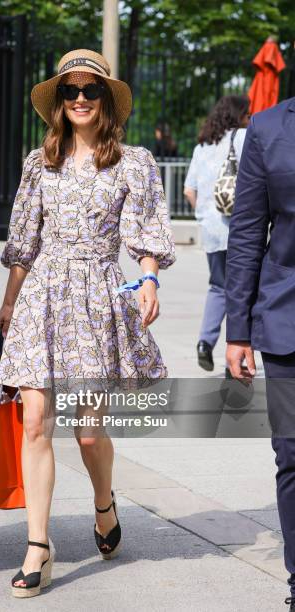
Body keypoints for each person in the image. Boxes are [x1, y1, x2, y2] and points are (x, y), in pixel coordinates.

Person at [0, 48, 176, 598]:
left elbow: (145, 228)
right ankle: (39, 547)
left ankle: (104, 505)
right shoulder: (37, 162)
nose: (78, 99)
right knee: (34, 421)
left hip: (97, 297)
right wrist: (7, 302)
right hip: (42, 296)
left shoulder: (133, 162)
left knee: (89, 430)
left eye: (89, 90)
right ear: (57, 101)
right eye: (69, 91)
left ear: (105, 100)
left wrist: (148, 278)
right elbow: (23, 243)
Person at [225, 96, 295, 611]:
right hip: (285, 319)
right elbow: (248, 231)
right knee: (292, 454)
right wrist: (238, 330)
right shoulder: (268, 128)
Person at [183, 95, 250, 373]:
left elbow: (189, 190)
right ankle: (239, 357)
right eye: (248, 115)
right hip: (241, 229)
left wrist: (204, 216)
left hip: (211, 230)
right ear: (239, 116)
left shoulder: (203, 146)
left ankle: (204, 343)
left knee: (218, 287)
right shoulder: (245, 138)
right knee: (246, 291)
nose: (250, 120)